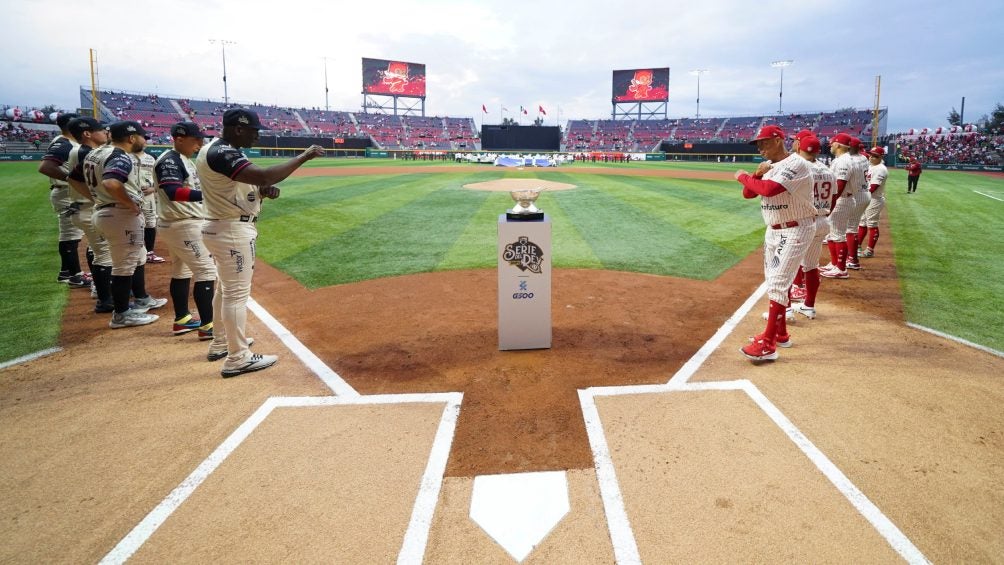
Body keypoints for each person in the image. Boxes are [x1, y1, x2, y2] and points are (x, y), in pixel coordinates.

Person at [196, 108, 324, 377]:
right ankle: (238, 358)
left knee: (225, 290)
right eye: (254, 132)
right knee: (235, 295)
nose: (257, 137)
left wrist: (261, 193)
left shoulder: (220, 150)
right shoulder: (222, 152)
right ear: (239, 129)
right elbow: (266, 175)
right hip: (231, 230)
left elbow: (246, 188)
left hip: (221, 226)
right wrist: (304, 156)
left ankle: (221, 343)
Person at [733, 125, 816, 362]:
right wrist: (756, 175)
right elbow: (749, 194)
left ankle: (768, 343)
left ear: (778, 140)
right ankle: (780, 333)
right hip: (775, 229)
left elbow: (769, 191)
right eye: (758, 144)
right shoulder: (770, 167)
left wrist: (742, 176)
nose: (760, 148)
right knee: (774, 281)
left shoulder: (796, 164)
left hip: (795, 228)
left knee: (779, 282)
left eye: (764, 142)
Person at [86, 120, 168, 328]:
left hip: (105, 211)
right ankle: (121, 314)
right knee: (124, 264)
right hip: (119, 214)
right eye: (142, 136)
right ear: (132, 138)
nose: (144, 141)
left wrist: (98, 198)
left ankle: (140, 299)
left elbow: (74, 178)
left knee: (137, 256)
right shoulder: (120, 155)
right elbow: (111, 182)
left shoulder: (95, 153)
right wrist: (130, 203)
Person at [154, 122, 217, 337]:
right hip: (183, 223)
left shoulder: (182, 159)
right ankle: (209, 326)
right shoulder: (170, 160)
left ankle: (182, 319)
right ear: (179, 139)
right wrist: (207, 196)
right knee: (206, 271)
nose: (199, 144)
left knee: (182, 271)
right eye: (195, 139)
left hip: (180, 223)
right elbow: (173, 191)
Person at [65, 117, 115, 313]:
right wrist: (96, 198)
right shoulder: (86, 152)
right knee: (104, 253)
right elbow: (74, 178)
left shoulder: (84, 151)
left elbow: (71, 178)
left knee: (96, 249)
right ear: (87, 133)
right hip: (86, 207)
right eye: (101, 130)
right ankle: (105, 299)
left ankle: (100, 288)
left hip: (82, 207)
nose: (105, 133)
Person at [38, 112, 89, 288]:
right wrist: (70, 178)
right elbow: (45, 167)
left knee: (70, 234)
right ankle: (76, 276)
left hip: (66, 191)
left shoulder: (67, 142)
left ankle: (65, 272)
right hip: (65, 192)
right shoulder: (63, 143)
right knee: (70, 235)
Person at [789, 135, 835, 320]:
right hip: (822, 220)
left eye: (795, 141)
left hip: (803, 222)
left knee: (787, 267)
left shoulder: (798, 167)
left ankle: (783, 311)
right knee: (811, 266)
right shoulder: (828, 170)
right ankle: (809, 305)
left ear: (800, 145)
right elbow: (832, 199)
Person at [821, 133, 856, 279]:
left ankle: (841, 269)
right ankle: (835, 264)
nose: (831, 145)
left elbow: (840, 184)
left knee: (838, 235)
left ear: (839, 145)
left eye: (833, 143)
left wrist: (831, 202)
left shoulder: (844, 161)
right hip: (841, 199)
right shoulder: (842, 159)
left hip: (842, 199)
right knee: (832, 233)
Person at [844, 137, 871, 270]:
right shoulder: (864, 158)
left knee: (850, 228)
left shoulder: (851, 161)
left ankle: (852, 260)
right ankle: (852, 257)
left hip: (857, 195)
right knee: (852, 227)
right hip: (864, 193)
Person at [135, 147, 165, 263]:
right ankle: (136, 251)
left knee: (150, 222)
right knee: (133, 221)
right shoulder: (126, 156)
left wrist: (153, 188)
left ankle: (149, 253)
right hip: (131, 195)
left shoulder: (151, 158)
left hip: (148, 195)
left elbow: (160, 177)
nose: (144, 142)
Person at [859, 147, 889, 258]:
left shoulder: (881, 169)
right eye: (870, 155)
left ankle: (870, 250)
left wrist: (861, 196)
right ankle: (857, 246)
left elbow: (874, 187)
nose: (871, 157)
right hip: (866, 197)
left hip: (874, 199)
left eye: (874, 156)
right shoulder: (871, 166)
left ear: (881, 157)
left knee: (872, 224)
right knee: (862, 222)